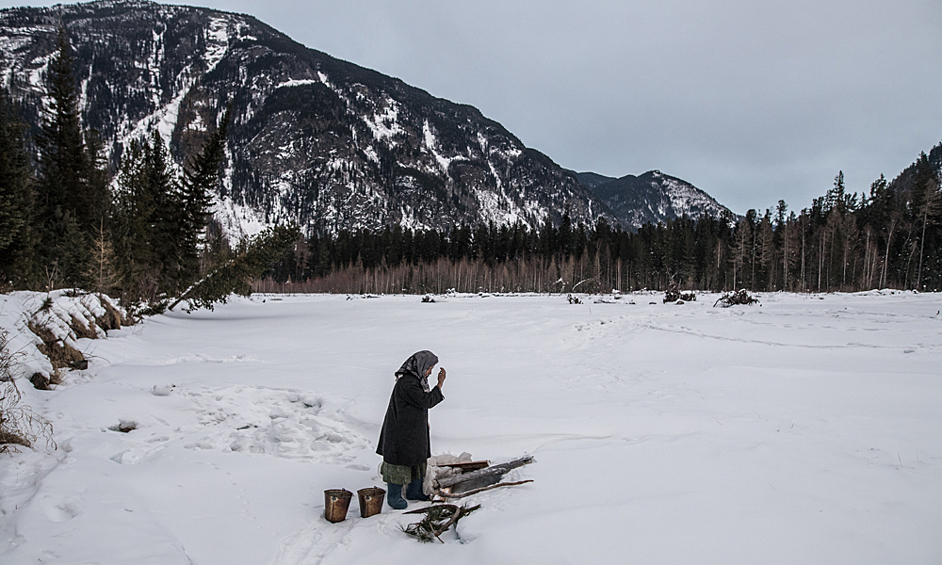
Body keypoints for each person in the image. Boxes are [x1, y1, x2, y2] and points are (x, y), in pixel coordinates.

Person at [376, 350, 446, 509]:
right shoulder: (408, 383)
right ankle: (393, 497)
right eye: (429, 368)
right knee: (399, 461)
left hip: (414, 429)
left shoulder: (417, 381)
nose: (429, 372)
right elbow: (426, 401)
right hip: (402, 431)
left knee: (417, 458)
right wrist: (440, 385)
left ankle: (414, 491)